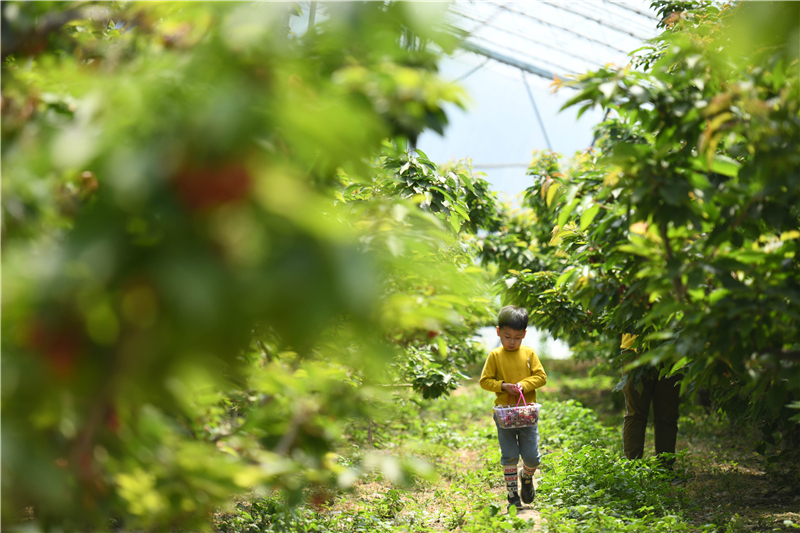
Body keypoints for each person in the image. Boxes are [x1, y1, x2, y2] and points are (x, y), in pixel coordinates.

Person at [479, 306, 547, 511]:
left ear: (524, 335)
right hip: (504, 414)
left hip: (526, 414)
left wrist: (523, 386)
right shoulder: (495, 355)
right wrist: (502, 386)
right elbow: (484, 381)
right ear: (498, 331)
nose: (512, 342)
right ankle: (512, 495)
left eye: (517, 337)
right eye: (507, 336)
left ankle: (526, 477)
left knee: (532, 458)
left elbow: (541, 377)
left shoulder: (529, 353)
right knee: (508, 455)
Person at [620, 334, 680, 469]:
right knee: (635, 413)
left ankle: (665, 470)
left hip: (670, 351)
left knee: (667, 415)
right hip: (634, 350)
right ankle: (633, 470)